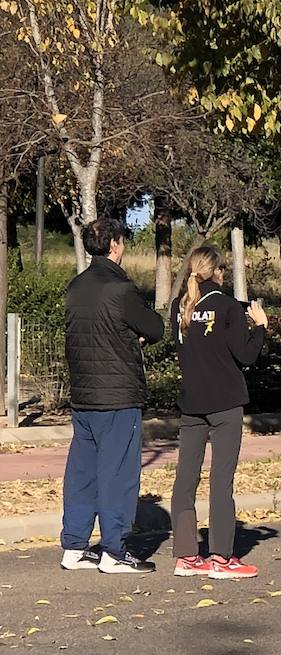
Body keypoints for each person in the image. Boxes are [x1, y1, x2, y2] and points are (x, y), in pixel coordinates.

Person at [60, 217, 165, 574]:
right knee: (118, 473)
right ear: (116, 244)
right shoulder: (121, 290)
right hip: (117, 394)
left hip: (83, 394)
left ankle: (74, 545)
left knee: (82, 472)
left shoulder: (76, 287)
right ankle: (114, 551)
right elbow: (154, 327)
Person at [169, 246, 269, 578]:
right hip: (225, 402)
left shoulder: (180, 307)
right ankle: (221, 558)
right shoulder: (226, 306)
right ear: (218, 272)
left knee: (186, 478)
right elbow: (246, 356)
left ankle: (186, 556)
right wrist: (260, 327)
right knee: (221, 479)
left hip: (191, 403)